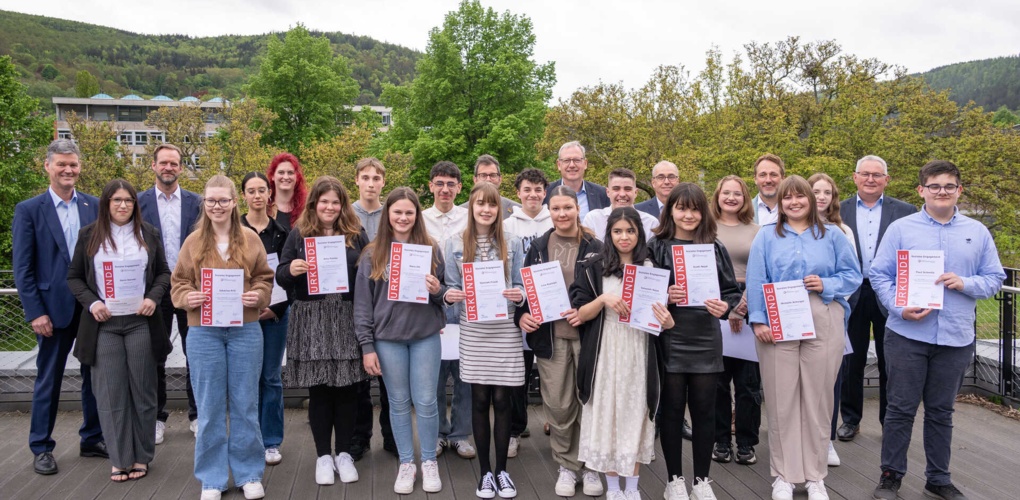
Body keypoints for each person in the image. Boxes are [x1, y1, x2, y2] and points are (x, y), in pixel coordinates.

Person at [870, 160, 1004, 500]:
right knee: (900, 408)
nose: (941, 192)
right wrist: (899, 308)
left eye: (948, 186)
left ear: (959, 190)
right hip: (907, 335)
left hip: (956, 337)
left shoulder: (978, 231)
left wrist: (965, 282)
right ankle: (890, 476)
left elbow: (994, 279)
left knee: (942, 412)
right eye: (934, 186)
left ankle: (938, 478)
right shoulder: (902, 229)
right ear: (921, 190)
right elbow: (879, 274)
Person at [746, 176, 862, 500]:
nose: (794, 202)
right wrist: (758, 321)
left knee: (818, 399)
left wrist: (828, 284)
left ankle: (815, 476)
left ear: (811, 200)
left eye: (800, 197)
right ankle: (784, 475)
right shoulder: (766, 236)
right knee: (782, 400)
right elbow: (756, 279)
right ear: (780, 202)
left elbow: (853, 275)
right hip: (778, 319)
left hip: (822, 315)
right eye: (787, 198)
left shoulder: (833, 235)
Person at [170, 175, 274, 500]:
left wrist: (258, 295)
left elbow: (264, 278)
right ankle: (212, 478)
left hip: (245, 330)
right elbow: (178, 283)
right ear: (204, 203)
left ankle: (248, 474)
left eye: (223, 200)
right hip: (203, 332)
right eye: (211, 200)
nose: (217, 206)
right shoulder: (192, 243)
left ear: (234, 202)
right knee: (210, 406)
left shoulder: (251, 239)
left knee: (245, 403)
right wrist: (188, 298)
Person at [67, 179, 172, 482]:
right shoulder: (88, 236)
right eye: (117, 200)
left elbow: (163, 272)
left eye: (128, 200)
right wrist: (92, 302)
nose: (123, 205)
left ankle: (141, 456)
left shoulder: (148, 234)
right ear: (106, 204)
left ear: (135, 205)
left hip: (140, 322)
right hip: (105, 326)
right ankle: (120, 458)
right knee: (111, 394)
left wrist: (153, 297)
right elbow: (74, 278)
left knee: (143, 391)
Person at [14, 139, 106, 475]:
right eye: (61, 165)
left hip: (90, 307)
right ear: (48, 166)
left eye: (73, 165)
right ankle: (41, 446)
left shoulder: (93, 206)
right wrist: (35, 312)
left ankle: (92, 438)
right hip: (51, 311)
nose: (68, 170)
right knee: (48, 379)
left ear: (80, 166)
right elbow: (22, 269)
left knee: (93, 377)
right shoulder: (29, 210)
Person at [649, 183, 742, 500]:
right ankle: (674, 480)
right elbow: (641, 292)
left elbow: (731, 292)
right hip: (670, 336)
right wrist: (664, 293)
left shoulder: (714, 248)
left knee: (704, 411)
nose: (688, 215)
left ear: (703, 212)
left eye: (694, 208)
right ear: (670, 210)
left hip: (705, 336)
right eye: (681, 208)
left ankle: (702, 481)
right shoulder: (656, 246)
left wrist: (725, 307)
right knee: (672, 411)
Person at [277, 176, 371, 486]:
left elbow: (372, 271)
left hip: (345, 316)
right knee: (319, 390)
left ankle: (343, 453)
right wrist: (291, 270)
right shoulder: (299, 234)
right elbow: (280, 274)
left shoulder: (356, 235)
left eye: (336, 202)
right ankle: (322, 455)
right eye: (324, 201)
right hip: (311, 318)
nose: (330, 207)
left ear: (343, 205)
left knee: (346, 390)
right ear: (314, 204)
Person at [571, 207, 670, 500]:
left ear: (639, 233)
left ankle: (632, 487)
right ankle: (613, 488)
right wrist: (603, 299)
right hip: (605, 350)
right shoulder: (594, 267)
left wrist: (666, 319)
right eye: (617, 231)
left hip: (639, 350)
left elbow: (664, 320)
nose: (624, 237)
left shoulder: (651, 268)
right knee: (608, 415)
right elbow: (581, 314)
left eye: (630, 231)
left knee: (634, 415)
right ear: (609, 234)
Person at [354, 187, 448, 495]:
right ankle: (407, 462)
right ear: (388, 216)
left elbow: (442, 297)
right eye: (398, 212)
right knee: (396, 402)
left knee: (426, 401)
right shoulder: (372, 254)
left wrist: (436, 290)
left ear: (416, 216)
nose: (404, 217)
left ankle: (429, 461)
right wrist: (367, 347)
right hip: (388, 340)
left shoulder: (431, 249)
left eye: (409, 212)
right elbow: (363, 306)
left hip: (424, 336)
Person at [515, 185, 605, 498]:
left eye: (567, 208)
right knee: (558, 404)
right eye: (556, 209)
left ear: (576, 209)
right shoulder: (539, 246)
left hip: (588, 336)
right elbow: (526, 288)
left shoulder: (595, 245)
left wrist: (588, 311)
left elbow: (607, 288)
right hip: (551, 338)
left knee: (589, 402)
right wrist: (521, 316)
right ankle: (567, 465)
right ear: (548, 211)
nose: (562, 214)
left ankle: (591, 465)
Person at [443, 183, 527, 498]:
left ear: (499, 209)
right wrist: (450, 295)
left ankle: (503, 470)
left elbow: (521, 286)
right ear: (472, 207)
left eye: (492, 204)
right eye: (480, 204)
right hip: (474, 329)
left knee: (503, 401)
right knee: (479, 400)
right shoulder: (452, 244)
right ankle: (485, 474)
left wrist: (518, 294)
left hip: (504, 328)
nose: (486, 210)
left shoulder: (514, 243)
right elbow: (449, 288)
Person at [836, 155, 917, 442]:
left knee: (891, 362)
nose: (871, 179)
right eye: (865, 174)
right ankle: (851, 419)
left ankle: (888, 421)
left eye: (877, 175)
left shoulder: (906, 211)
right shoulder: (838, 209)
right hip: (851, 293)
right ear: (855, 177)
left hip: (890, 293)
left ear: (886, 179)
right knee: (851, 361)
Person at [137, 143, 201, 444]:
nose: (168, 168)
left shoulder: (196, 202)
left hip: (190, 288)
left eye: (174, 163)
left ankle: (198, 414)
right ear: (153, 166)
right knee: (155, 356)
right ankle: (157, 418)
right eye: (163, 163)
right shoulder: (137, 203)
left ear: (181, 167)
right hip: (155, 290)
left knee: (196, 354)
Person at [422, 161, 476, 461]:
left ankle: (460, 434)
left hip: (464, 302)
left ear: (459, 187)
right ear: (430, 186)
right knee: (435, 375)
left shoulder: (469, 218)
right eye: (439, 183)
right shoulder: (419, 219)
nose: (445, 189)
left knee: (464, 375)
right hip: (429, 304)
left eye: (451, 184)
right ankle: (439, 433)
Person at [708, 176, 762, 467]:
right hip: (714, 303)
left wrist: (743, 306)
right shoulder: (706, 229)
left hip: (750, 301)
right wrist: (727, 309)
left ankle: (745, 443)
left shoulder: (758, 231)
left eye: (737, 193)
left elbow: (762, 271)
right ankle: (720, 441)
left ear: (745, 198)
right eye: (725, 192)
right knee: (717, 381)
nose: (731, 197)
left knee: (748, 383)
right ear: (717, 196)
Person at [239, 172, 292, 466]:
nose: (257, 196)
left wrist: (277, 309)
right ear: (243, 195)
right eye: (251, 191)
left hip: (275, 314)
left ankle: (271, 440)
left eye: (262, 190)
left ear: (269, 195)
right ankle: (249, 438)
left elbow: (285, 275)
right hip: (242, 316)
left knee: (271, 378)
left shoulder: (282, 232)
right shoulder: (234, 230)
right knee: (246, 379)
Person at [808, 172, 858, 467]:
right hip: (797, 313)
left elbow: (850, 276)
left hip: (833, 312)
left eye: (827, 192)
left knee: (830, 379)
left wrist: (831, 302)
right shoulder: (787, 229)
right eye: (816, 191)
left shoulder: (842, 231)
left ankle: (826, 440)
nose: (822, 197)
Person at [503, 167, 553, 456]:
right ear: (518, 193)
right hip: (520, 306)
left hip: (551, 307)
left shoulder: (556, 220)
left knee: (552, 371)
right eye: (527, 189)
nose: (532, 194)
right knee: (518, 374)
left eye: (538, 189)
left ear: (544, 192)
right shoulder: (508, 225)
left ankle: (558, 426)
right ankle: (514, 429)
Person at [349, 157, 396, 460]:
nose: (370, 183)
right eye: (365, 177)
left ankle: (393, 437)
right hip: (353, 301)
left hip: (389, 304)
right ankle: (360, 437)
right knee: (358, 379)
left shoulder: (390, 215)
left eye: (376, 178)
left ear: (383, 182)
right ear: (356, 180)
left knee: (390, 378)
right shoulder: (346, 214)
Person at [582, 168, 660, 241]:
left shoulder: (650, 223)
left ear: (635, 193)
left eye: (627, 189)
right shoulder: (593, 220)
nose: (622, 194)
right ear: (608, 192)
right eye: (616, 189)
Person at [544, 141, 610, 219]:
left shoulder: (602, 194)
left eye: (577, 160)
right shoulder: (545, 193)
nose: (572, 165)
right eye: (566, 160)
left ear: (585, 163)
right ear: (559, 165)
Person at [459, 154, 521, 218]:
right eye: (483, 175)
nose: (488, 179)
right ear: (475, 180)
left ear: (500, 179)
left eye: (493, 175)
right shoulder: (461, 212)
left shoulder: (517, 211)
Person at [267, 152, 308, 231]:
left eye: (290, 173)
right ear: (272, 176)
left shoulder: (307, 208)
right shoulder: (264, 208)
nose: (286, 177)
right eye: (281, 172)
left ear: (296, 177)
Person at [750, 154, 785, 225]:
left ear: (782, 178)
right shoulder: (744, 210)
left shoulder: (793, 208)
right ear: (755, 179)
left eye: (773, 175)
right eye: (762, 175)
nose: (768, 180)